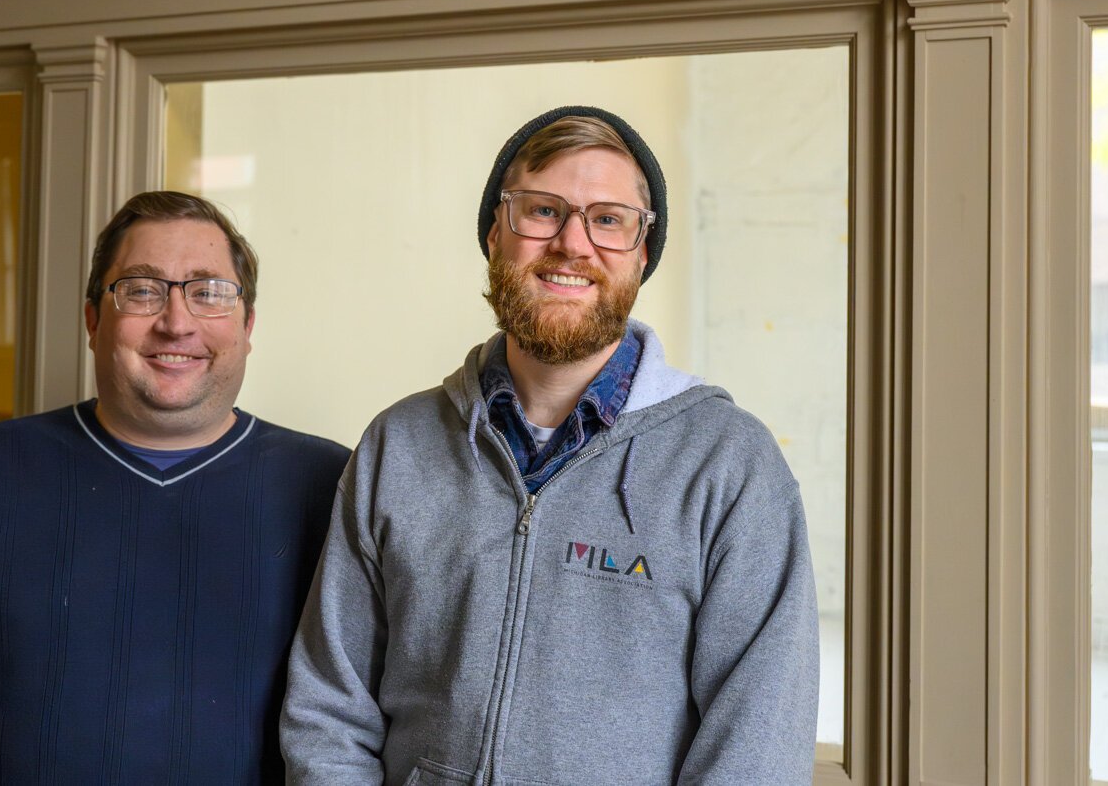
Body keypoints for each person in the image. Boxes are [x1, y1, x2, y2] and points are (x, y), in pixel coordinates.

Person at [282, 106, 819, 784]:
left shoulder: (728, 465)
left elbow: (757, 748)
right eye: (541, 211)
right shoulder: (399, 447)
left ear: (641, 253)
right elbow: (328, 707)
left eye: (607, 219)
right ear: (494, 235)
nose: (572, 243)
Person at [0, 191, 349, 784]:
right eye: (141, 289)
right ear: (92, 321)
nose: (176, 321)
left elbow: (368, 710)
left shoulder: (330, 487)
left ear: (247, 326)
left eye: (208, 292)